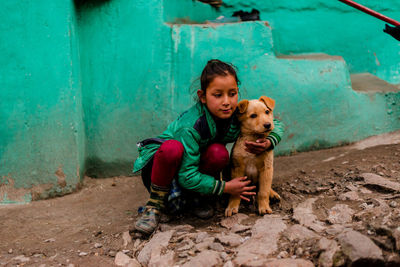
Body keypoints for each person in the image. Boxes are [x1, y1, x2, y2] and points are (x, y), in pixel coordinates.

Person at [132, 59, 284, 235]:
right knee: (172, 148)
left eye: (232, 93)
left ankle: (197, 198)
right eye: (218, 95)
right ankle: (154, 207)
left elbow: (275, 122)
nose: (227, 101)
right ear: (203, 96)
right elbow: (187, 175)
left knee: (218, 153)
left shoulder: (236, 113)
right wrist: (226, 187)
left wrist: (269, 141)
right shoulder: (191, 125)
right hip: (163, 170)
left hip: (191, 166)